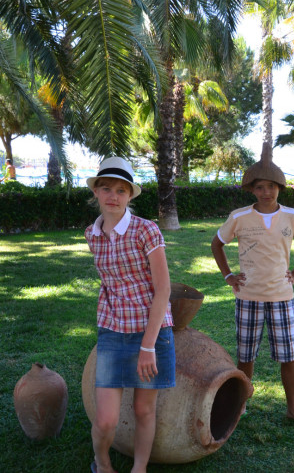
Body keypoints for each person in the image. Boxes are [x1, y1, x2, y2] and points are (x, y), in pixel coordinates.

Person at [210, 163, 294, 431]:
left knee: (289, 355)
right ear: (252, 190)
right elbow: (217, 243)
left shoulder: (292, 216)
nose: (266, 192)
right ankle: (241, 404)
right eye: (259, 187)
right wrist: (228, 276)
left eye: (271, 186)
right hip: (248, 297)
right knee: (246, 354)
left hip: (282, 297)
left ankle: (293, 408)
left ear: (280, 187)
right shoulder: (240, 217)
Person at [85, 157, 175, 473]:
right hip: (112, 330)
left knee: (143, 410)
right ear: (96, 192)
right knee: (106, 420)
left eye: (121, 190)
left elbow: (163, 289)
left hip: (152, 332)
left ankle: (140, 468)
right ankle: (103, 464)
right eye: (106, 188)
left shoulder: (146, 230)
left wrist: (148, 346)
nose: (113, 196)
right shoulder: (91, 234)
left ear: (129, 195)